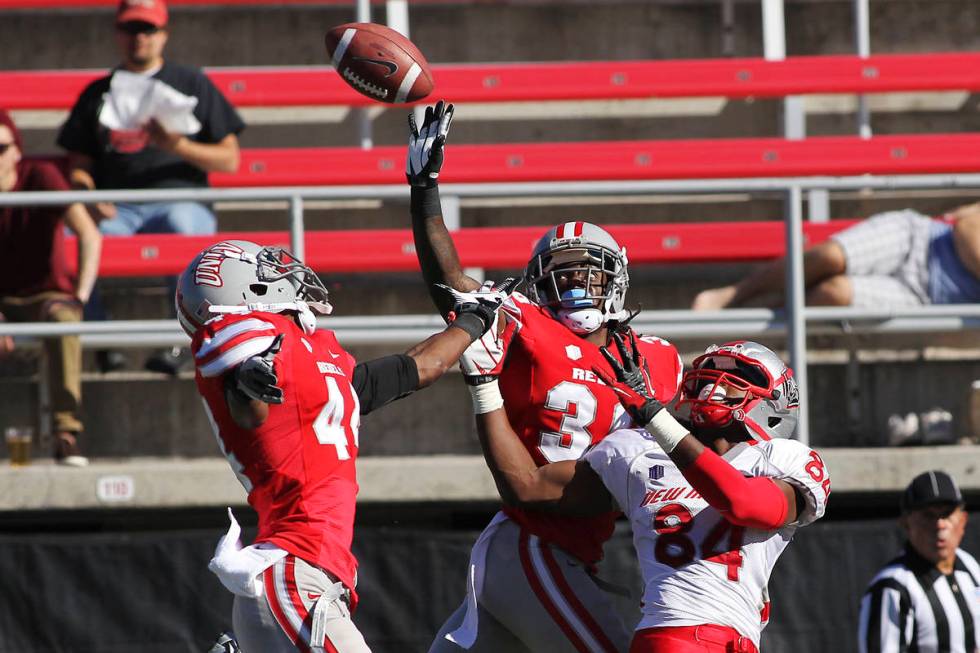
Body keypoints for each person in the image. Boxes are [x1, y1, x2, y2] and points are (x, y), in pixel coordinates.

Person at [407, 101, 684, 653]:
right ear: (539, 285)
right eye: (563, 276)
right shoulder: (526, 324)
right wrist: (425, 190)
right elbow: (451, 286)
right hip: (534, 541)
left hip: (573, 547)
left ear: (618, 281)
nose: (577, 286)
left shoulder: (659, 356)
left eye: (588, 273)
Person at [177, 240, 513, 653]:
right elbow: (245, 399)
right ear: (239, 288)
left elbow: (421, 367)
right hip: (293, 569)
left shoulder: (318, 353)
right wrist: (249, 377)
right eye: (268, 271)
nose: (287, 273)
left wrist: (476, 319)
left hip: (311, 574)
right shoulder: (242, 334)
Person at [461, 333, 830, 652]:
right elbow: (524, 486)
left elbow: (743, 504)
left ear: (777, 404)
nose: (714, 381)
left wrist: (658, 419)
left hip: (736, 640)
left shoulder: (782, 457)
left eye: (738, 376)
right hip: (672, 634)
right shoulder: (636, 449)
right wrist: (484, 387)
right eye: (711, 371)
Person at [57, 0, 245, 375]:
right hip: (117, 205)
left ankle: (180, 341)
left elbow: (230, 160)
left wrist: (176, 144)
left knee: (185, 229)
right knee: (69, 238)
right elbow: (78, 164)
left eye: (147, 30)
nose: (138, 38)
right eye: (130, 29)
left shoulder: (191, 83)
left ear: (164, 35)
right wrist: (90, 197)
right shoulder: (99, 91)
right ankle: (99, 339)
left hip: (180, 197)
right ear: (117, 33)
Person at [0, 109, 102, 466]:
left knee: (63, 319)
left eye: (0, 148)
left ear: (16, 150)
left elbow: (89, 232)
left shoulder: (40, 176)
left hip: (45, 293)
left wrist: (81, 297)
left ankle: (66, 432)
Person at [692, 202, 980, 311]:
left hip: (925, 297)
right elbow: (965, 227)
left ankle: (765, 315)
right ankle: (734, 294)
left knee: (835, 293)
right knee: (830, 256)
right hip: (918, 240)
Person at [858, 470, 979, 653]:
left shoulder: (969, 566)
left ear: (962, 521)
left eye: (946, 514)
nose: (939, 524)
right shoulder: (892, 587)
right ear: (906, 523)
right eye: (928, 515)